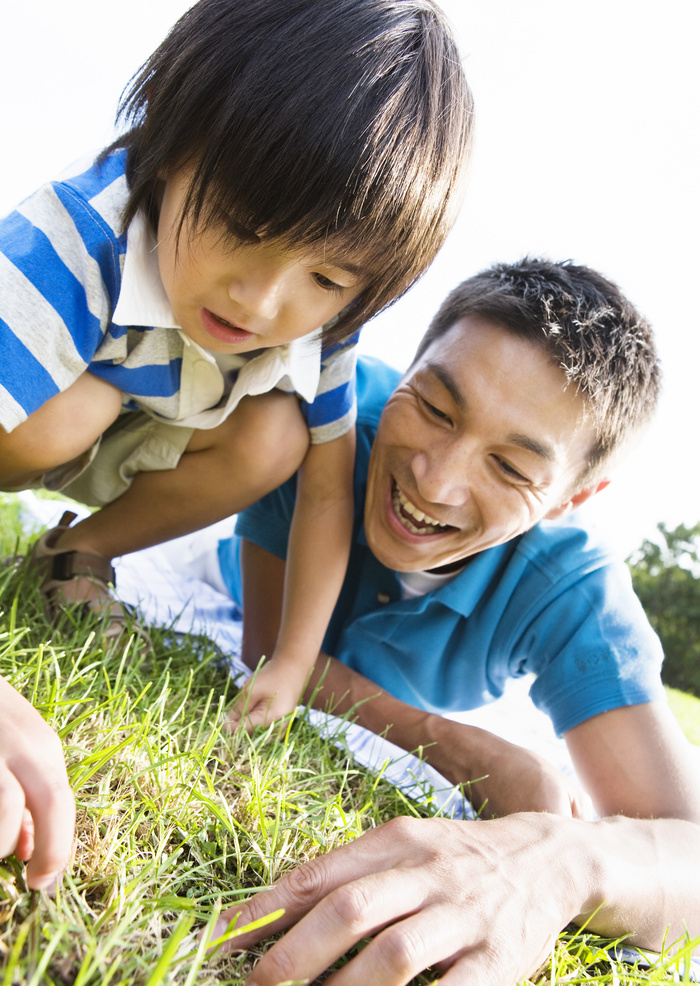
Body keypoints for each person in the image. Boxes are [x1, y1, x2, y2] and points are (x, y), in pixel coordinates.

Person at [0, 0, 473, 886]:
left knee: (278, 436)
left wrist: (292, 664)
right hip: (34, 416)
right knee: (64, 416)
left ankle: (74, 555)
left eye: (326, 277)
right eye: (244, 229)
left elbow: (328, 489)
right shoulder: (75, 236)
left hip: (143, 429)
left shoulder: (323, 328)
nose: (261, 304)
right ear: (173, 145)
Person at [201, 258, 700, 982]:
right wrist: (455, 746)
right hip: (216, 583)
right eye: (435, 408)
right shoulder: (323, 423)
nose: (435, 479)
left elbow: (687, 849)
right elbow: (270, 648)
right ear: (407, 367)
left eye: (512, 467)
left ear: (570, 499)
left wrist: (562, 860)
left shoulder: (575, 590)